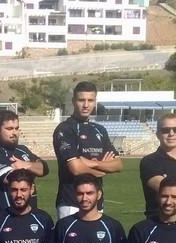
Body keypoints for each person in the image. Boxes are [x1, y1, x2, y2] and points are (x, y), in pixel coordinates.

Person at [52, 82, 123, 219]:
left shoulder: (100, 130)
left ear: (95, 102)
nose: (86, 105)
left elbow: (118, 164)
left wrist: (92, 164)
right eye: (81, 100)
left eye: (90, 100)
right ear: (73, 101)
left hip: (97, 203)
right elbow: (76, 168)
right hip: (71, 203)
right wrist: (103, 169)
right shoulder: (65, 129)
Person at [0, 110, 48, 218]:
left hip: (29, 216)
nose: (14, 133)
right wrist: (33, 169)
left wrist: (26, 165)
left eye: (16, 128)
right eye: (9, 129)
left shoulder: (23, 150)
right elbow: (10, 178)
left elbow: (44, 169)